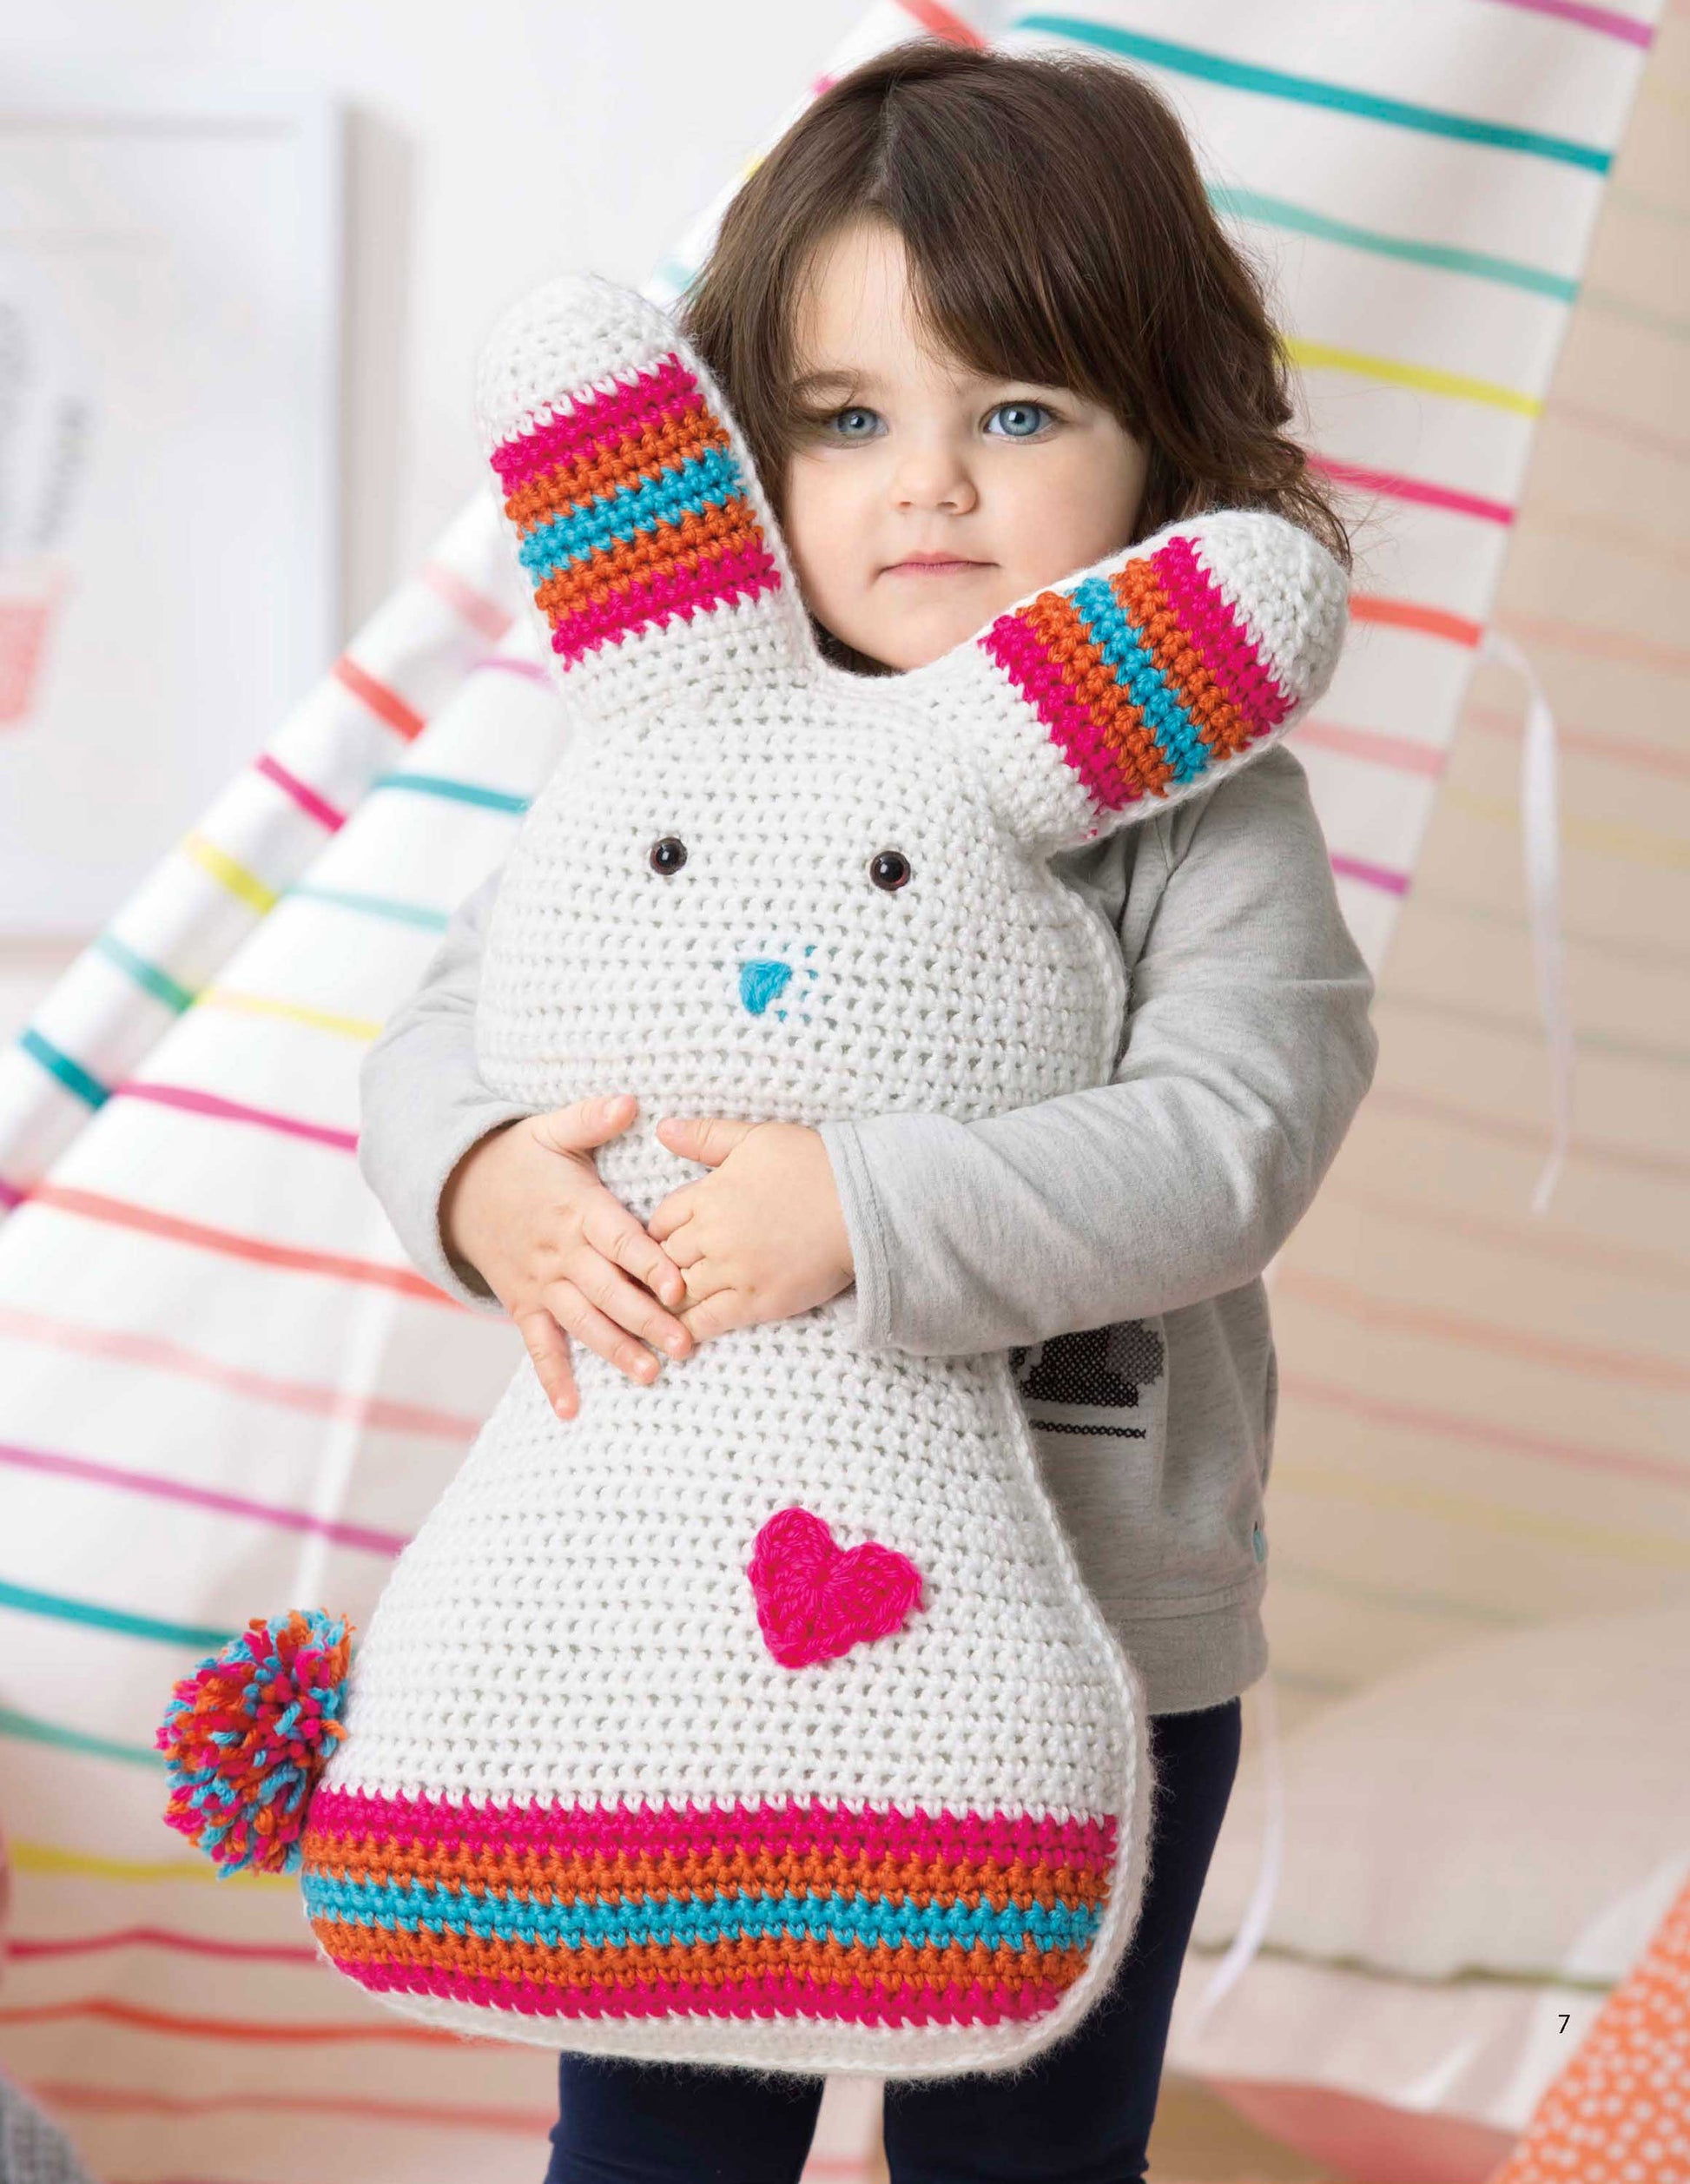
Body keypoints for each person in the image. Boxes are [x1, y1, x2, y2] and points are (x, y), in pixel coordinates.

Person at [356, 42, 1377, 2184]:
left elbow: (1238, 1133)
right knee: (651, 2136)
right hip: (663, 1606)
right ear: (738, 459)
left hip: (1100, 1612)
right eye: (846, 419)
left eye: (1015, 412)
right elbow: (455, 1023)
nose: (928, 487)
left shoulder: (1194, 797)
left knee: (1025, 2145)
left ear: (1158, 439)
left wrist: (871, 1211)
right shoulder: (665, 755)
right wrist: (480, 1181)